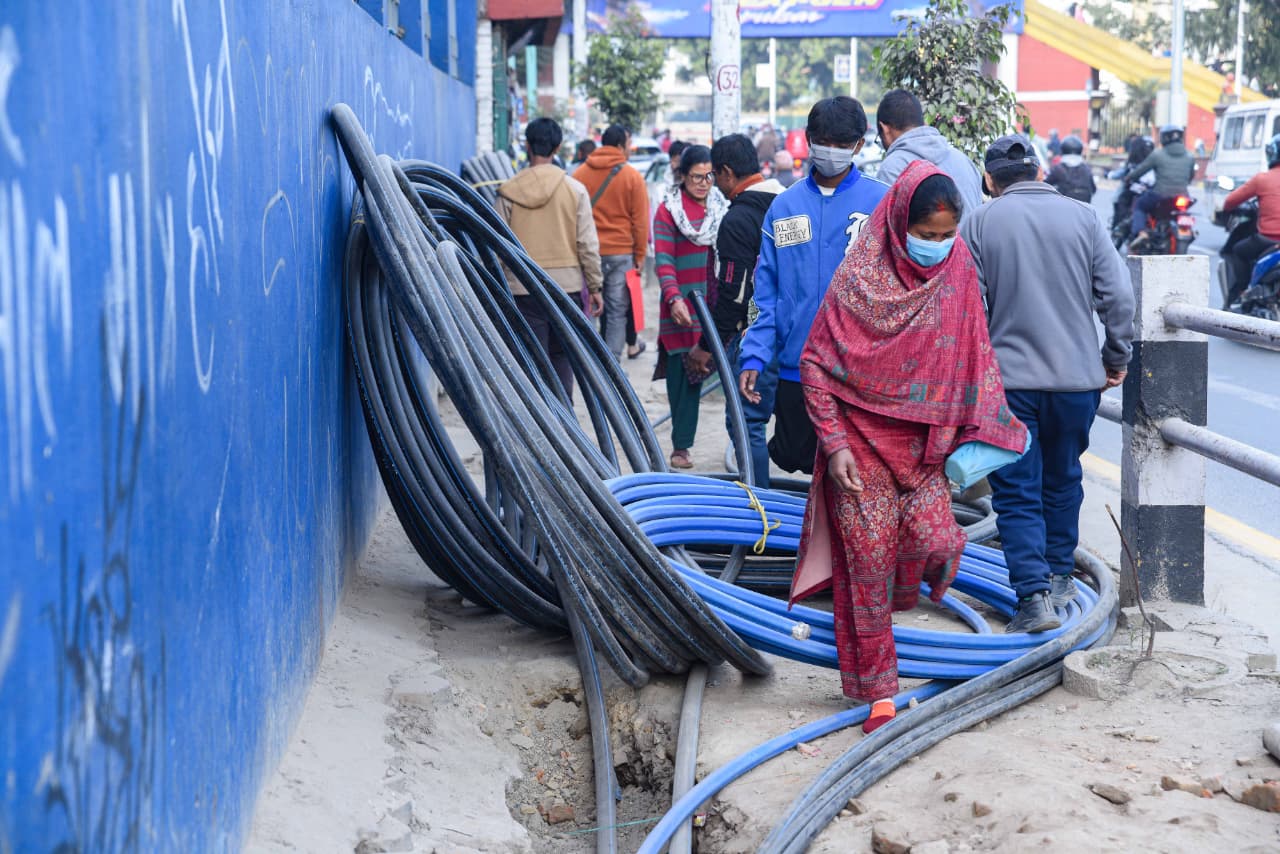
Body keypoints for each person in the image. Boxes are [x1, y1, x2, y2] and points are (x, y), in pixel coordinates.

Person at [791, 162, 1028, 733]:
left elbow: (972, 351)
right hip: (860, 451)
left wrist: (959, 440)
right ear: (899, 226)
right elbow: (815, 364)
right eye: (926, 235)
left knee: (938, 542)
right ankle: (878, 692)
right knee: (867, 567)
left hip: (927, 452)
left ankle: (902, 604)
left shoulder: (958, 268)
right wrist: (835, 445)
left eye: (946, 234)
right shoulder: (858, 280)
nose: (936, 245)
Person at [961, 134, 1134, 633]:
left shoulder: (980, 222)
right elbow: (1119, 298)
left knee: (1016, 491)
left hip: (1010, 386)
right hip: (1077, 383)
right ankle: (1061, 580)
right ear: (1039, 171)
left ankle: (1033, 600)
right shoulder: (1085, 217)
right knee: (1063, 480)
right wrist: (1114, 357)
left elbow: (968, 310)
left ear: (989, 180)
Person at [738, 96, 889, 477]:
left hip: (859, 371)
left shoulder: (881, 204)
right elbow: (766, 294)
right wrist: (754, 355)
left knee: (852, 474)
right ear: (808, 139)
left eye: (842, 143)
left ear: (859, 144)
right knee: (796, 459)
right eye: (824, 141)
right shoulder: (784, 207)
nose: (831, 150)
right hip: (797, 367)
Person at [682, 133, 786, 485]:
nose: (714, 184)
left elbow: (734, 296)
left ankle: (757, 505)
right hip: (799, 334)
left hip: (756, 337)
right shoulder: (790, 204)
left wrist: (707, 345)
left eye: (715, 175)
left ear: (726, 172)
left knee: (747, 423)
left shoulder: (738, 219)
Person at [497, 117, 604, 401]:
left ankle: (536, 422)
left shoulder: (508, 192)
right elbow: (587, 244)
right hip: (566, 290)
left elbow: (496, 246)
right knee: (561, 357)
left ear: (527, 146)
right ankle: (563, 420)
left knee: (531, 363)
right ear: (557, 148)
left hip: (522, 290)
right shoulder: (575, 190)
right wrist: (595, 287)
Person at [653, 145, 728, 469]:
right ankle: (681, 446)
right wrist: (673, 297)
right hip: (681, 307)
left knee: (714, 369)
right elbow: (664, 259)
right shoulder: (668, 210)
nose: (703, 183)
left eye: (709, 176)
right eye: (696, 177)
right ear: (682, 176)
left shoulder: (722, 207)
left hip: (714, 304)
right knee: (682, 375)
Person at [574, 124, 651, 360]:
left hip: (588, 253)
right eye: (628, 144)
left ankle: (588, 361)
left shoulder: (579, 175)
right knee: (617, 310)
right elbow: (640, 222)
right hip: (621, 253)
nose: (629, 149)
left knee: (589, 307)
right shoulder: (632, 177)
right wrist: (640, 255)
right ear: (619, 145)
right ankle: (612, 363)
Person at [873, 89, 984, 213]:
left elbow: (885, 222)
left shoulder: (892, 168)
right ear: (924, 123)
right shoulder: (963, 160)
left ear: (885, 129)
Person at [1222, 134, 1280, 307]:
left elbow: (1230, 201)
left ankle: (1241, 292)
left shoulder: (1262, 179)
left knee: (1238, 250)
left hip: (1268, 240)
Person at [1127, 124, 1196, 244]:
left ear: (1164, 137)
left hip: (1160, 195)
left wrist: (1129, 177)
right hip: (1183, 195)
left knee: (1140, 205)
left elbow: (1141, 170)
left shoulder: (1157, 154)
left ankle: (1141, 232)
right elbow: (1190, 177)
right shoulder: (1190, 156)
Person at [1045, 134, 1096, 202]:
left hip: (1064, 205)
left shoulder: (1058, 168)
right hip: (1084, 206)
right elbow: (1093, 189)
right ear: (1080, 150)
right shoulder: (1086, 168)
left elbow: (1046, 185)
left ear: (1063, 149)